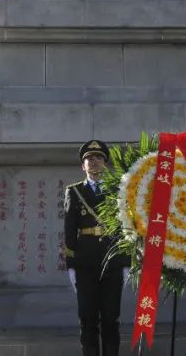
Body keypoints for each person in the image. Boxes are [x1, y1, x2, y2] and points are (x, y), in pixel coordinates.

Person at [64, 140, 128, 356]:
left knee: (111, 318)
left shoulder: (117, 189)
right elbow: (69, 230)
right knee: (87, 319)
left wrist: (126, 263)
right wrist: (71, 266)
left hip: (112, 260)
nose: (94, 161)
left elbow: (126, 228)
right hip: (85, 262)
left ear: (105, 163)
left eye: (99, 157)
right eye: (89, 159)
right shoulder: (74, 192)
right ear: (83, 166)